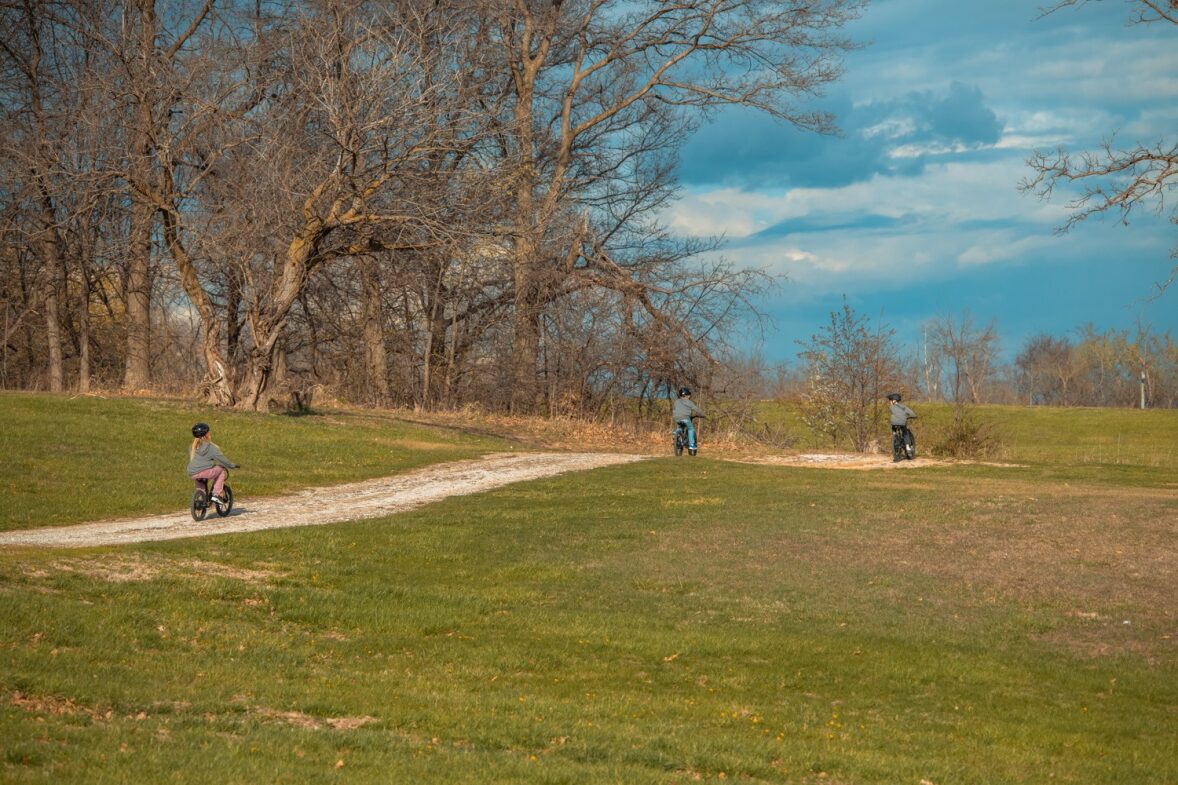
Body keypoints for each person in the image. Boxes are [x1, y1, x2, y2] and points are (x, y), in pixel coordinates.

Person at [187, 422, 238, 504]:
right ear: (206, 434)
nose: (210, 433)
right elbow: (221, 458)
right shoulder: (210, 447)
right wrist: (232, 465)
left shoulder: (192, 446)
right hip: (205, 472)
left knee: (200, 485)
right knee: (221, 470)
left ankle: (201, 499)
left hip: (192, 473)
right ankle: (216, 494)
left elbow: (197, 461)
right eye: (208, 432)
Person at [672, 387, 704, 455]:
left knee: (680, 426)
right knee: (690, 428)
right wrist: (702, 414)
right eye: (688, 395)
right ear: (686, 395)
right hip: (685, 418)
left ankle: (676, 433)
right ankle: (692, 445)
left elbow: (675, 409)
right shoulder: (689, 402)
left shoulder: (676, 401)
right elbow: (696, 409)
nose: (689, 396)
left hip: (676, 417)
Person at [887, 392, 917, 462]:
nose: (889, 402)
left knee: (894, 427)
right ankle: (908, 447)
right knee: (905, 432)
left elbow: (895, 412)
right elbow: (911, 413)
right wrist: (913, 416)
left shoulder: (891, 407)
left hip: (894, 423)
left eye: (890, 400)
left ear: (894, 401)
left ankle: (895, 435)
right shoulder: (903, 407)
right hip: (902, 423)